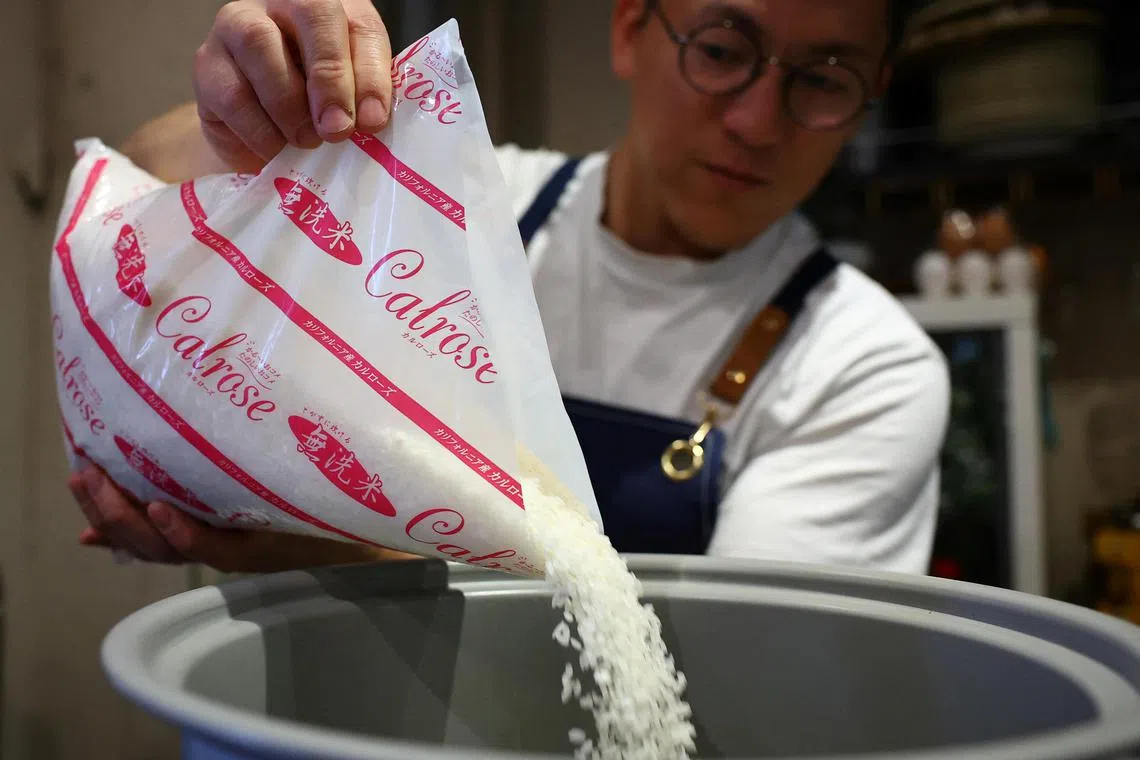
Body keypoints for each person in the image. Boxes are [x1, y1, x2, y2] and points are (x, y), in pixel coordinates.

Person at [69, 0, 950, 575]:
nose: (758, 122)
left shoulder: (862, 365)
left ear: (870, 92)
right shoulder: (454, 210)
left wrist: (316, 551)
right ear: (629, 27)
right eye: (722, 51)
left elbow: (736, 686)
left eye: (824, 81)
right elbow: (148, 161)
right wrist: (252, 116)